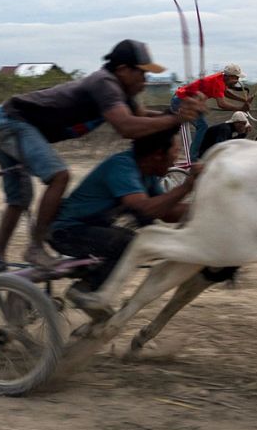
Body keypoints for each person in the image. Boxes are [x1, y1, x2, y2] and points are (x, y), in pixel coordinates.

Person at [0, 39, 205, 274]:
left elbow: (145, 119)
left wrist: (179, 113)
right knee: (59, 176)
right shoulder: (105, 84)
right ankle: (36, 247)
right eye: (141, 74)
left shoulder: (121, 93)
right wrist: (176, 119)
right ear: (123, 70)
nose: (145, 81)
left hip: (16, 122)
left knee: (18, 199)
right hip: (12, 120)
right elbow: (127, 127)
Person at [47, 128, 198, 317]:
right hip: (67, 232)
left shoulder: (147, 174)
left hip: (89, 230)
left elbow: (167, 212)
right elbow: (145, 208)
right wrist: (186, 186)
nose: (177, 158)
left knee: (136, 238)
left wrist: (204, 209)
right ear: (158, 154)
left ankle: (92, 289)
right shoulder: (123, 166)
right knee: (131, 242)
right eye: (175, 152)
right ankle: (85, 290)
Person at [171, 64, 252, 160]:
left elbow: (225, 93)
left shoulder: (220, 78)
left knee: (202, 126)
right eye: (237, 78)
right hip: (181, 101)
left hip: (187, 100)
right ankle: (193, 158)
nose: (237, 81)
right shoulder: (218, 83)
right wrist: (241, 108)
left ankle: (195, 154)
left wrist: (243, 100)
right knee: (202, 126)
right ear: (230, 77)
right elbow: (221, 104)